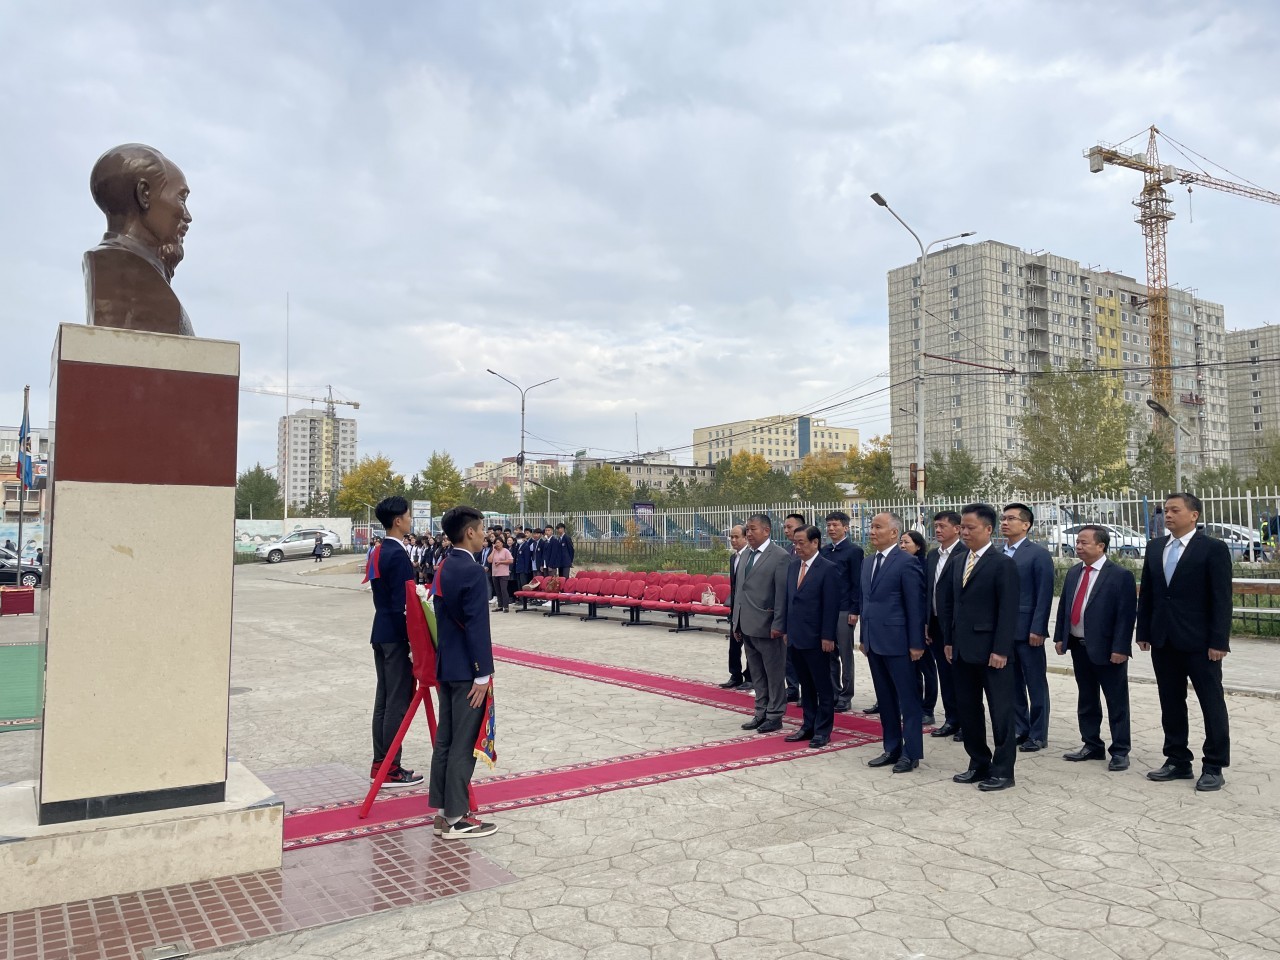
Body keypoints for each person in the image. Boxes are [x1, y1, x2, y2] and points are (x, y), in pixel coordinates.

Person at [1137, 492, 1232, 792]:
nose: (1167, 515)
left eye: (1174, 510)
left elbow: (1221, 599)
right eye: (1165, 510)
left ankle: (1214, 765)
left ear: (1194, 515)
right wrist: (1143, 631)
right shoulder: (1155, 548)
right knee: (1171, 703)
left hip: (1200, 642)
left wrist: (1219, 641)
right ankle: (1177, 759)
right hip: (1163, 640)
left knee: (1211, 702)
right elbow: (1150, 593)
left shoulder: (1212, 549)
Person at [938, 503, 1020, 792]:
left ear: (988, 529)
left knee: (1000, 712)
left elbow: (1008, 611)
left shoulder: (1002, 564)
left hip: (991, 652)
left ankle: (1003, 770)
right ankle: (978, 762)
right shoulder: (959, 560)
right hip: (961, 650)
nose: (965, 531)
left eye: (971, 527)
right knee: (969, 709)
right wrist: (948, 641)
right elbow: (949, 604)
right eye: (962, 526)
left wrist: (1001, 650)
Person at [430, 505, 499, 839]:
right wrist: (483, 674)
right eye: (482, 527)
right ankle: (457, 819)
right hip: (468, 672)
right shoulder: (471, 570)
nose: (485, 533)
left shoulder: (443, 566)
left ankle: (443, 813)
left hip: (447, 666)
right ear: (469, 532)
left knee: (445, 741)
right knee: (464, 743)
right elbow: (476, 626)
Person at [1054, 525, 1137, 771]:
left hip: (1108, 650)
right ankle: (1091, 744)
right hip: (1079, 647)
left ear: (1100, 546)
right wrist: (1061, 636)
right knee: (1087, 699)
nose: (1078, 547)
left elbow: (1125, 616)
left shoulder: (1119, 575)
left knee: (1116, 702)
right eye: (1077, 543)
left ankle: (1120, 750)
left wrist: (1120, 647)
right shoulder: (1073, 573)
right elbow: (1065, 607)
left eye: (1084, 543)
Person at [861, 512, 927, 772]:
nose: (872, 531)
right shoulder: (867, 563)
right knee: (885, 699)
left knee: (907, 699)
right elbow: (865, 602)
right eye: (871, 526)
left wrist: (916, 643)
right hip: (874, 642)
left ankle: (911, 753)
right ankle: (891, 747)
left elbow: (915, 605)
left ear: (894, 532)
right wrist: (864, 637)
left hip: (900, 642)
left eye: (878, 527)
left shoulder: (906, 562)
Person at [366, 496, 423, 787]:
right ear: (398, 521)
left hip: (381, 631)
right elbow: (405, 603)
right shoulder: (398, 554)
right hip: (396, 635)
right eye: (409, 516)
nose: (411, 520)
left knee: (384, 701)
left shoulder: (379, 551)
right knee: (397, 702)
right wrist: (414, 640)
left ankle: (381, 763)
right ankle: (391, 768)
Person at [1000, 503, 1055, 753]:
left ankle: (1038, 733)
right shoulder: (999, 553)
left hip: (1028, 629)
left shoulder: (1037, 554)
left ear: (1026, 524)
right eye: (1003, 518)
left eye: (1011, 518)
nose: (1005, 522)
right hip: (1004, 630)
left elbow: (1044, 594)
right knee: (1012, 684)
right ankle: (1020, 728)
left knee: (1035, 683)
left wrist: (1038, 628)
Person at [783, 526, 841, 748]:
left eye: (801, 543)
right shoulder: (793, 566)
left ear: (815, 543)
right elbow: (790, 601)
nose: (797, 547)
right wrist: (787, 630)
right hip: (796, 636)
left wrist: (827, 636)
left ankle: (823, 730)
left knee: (822, 686)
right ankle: (808, 725)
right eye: (795, 543)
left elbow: (831, 606)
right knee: (805, 685)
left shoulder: (827, 569)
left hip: (817, 638)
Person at [733, 514, 791, 734]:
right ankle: (760, 711)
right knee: (756, 673)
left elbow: (781, 595)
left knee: (774, 673)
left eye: (753, 529)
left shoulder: (779, 556)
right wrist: (736, 622)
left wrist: (779, 624)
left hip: (768, 626)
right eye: (747, 529)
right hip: (747, 625)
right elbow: (739, 591)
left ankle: (775, 715)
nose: (748, 533)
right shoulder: (745, 554)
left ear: (766, 531)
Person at [926, 511, 964, 741]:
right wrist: (926, 623)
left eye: (942, 526)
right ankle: (951, 719)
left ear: (957, 529)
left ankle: (966, 723)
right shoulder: (933, 556)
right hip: (936, 624)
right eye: (936, 526)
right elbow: (927, 590)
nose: (937, 530)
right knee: (945, 675)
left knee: (961, 677)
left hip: (957, 626)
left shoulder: (964, 553)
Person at [822, 511, 864, 714]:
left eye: (835, 525)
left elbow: (857, 582)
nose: (831, 528)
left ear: (845, 527)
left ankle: (846, 695)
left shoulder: (853, 551)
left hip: (845, 609)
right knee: (829, 652)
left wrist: (855, 609)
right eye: (829, 525)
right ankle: (832, 691)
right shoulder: (825, 551)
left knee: (845, 654)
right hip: (827, 610)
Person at [899, 529, 937, 725]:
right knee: (910, 670)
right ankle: (912, 705)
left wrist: (925, 625)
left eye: (907, 542)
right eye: (901, 542)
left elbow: (925, 599)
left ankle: (928, 709)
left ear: (918, 546)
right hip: (902, 626)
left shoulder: (925, 566)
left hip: (922, 625)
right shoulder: (899, 565)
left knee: (927, 669)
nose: (903, 546)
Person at [719, 524, 754, 690]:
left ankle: (750, 677)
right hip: (736, 609)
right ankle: (735, 675)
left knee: (749, 646)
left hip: (748, 609)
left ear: (746, 538)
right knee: (734, 644)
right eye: (731, 537)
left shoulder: (750, 557)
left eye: (736, 537)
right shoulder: (734, 558)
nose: (733, 540)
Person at [780, 513, 807, 702]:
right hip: (789, 609)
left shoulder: (812, 553)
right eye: (785, 527)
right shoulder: (787, 551)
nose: (786, 530)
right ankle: (792, 687)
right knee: (789, 653)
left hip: (806, 614)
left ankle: (808, 690)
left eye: (789, 527)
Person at [489, 537, 514, 613]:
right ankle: (500, 605)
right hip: (495, 573)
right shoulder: (494, 551)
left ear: (502, 543)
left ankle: (506, 606)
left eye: (499, 542)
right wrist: (493, 550)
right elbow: (489, 560)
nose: (497, 544)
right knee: (497, 590)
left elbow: (511, 560)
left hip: (503, 573)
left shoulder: (505, 551)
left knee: (503, 590)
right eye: (496, 543)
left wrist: (501, 562)